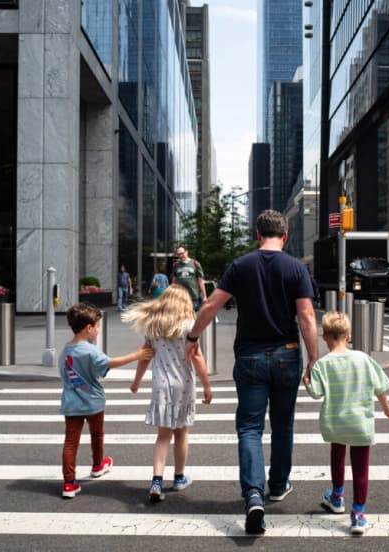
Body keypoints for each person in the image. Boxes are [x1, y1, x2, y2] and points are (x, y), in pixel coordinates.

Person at [183, 209, 319, 535]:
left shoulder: (241, 266)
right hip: (287, 355)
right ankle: (278, 484)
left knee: (249, 428)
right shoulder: (296, 268)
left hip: (250, 357)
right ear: (284, 236)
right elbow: (307, 318)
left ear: (258, 234)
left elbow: (212, 304)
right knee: (283, 424)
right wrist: (314, 358)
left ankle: (253, 494)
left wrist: (192, 337)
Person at [303, 311, 389, 536]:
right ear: (348, 336)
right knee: (360, 467)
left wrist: (307, 380)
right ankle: (358, 513)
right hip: (360, 423)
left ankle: (336, 497)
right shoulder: (363, 359)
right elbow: (380, 387)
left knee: (337, 456)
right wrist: (387, 409)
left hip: (336, 423)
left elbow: (316, 393)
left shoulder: (322, 365)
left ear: (324, 337)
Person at [123, 284, 213, 503]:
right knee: (181, 433)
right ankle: (179, 477)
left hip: (160, 386)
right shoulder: (190, 327)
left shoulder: (153, 327)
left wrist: (136, 382)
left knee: (163, 436)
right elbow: (198, 358)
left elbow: (145, 357)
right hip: (183, 385)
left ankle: (156, 481)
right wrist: (207, 386)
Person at [58, 303, 154, 499]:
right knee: (97, 434)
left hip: (71, 403)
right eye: (98, 326)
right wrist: (136, 355)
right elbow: (108, 363)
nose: (98, 330)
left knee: (70, 442)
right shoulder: (90, 351)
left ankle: (69, 483)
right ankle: (98, 465)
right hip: (93, 401)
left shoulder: (66, 350)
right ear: (88, 328)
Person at [172, 246, 207, 311]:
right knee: (181, 316)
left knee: (191, 316)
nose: (180, 255)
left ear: (187, 252)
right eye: (178, 254)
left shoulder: (195, 263)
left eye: (182, 253)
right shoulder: (176, 265)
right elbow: (174, 281)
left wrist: (204, 296)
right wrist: (171, 293)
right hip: (180, 296)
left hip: (193, 296)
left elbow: (200, 281)